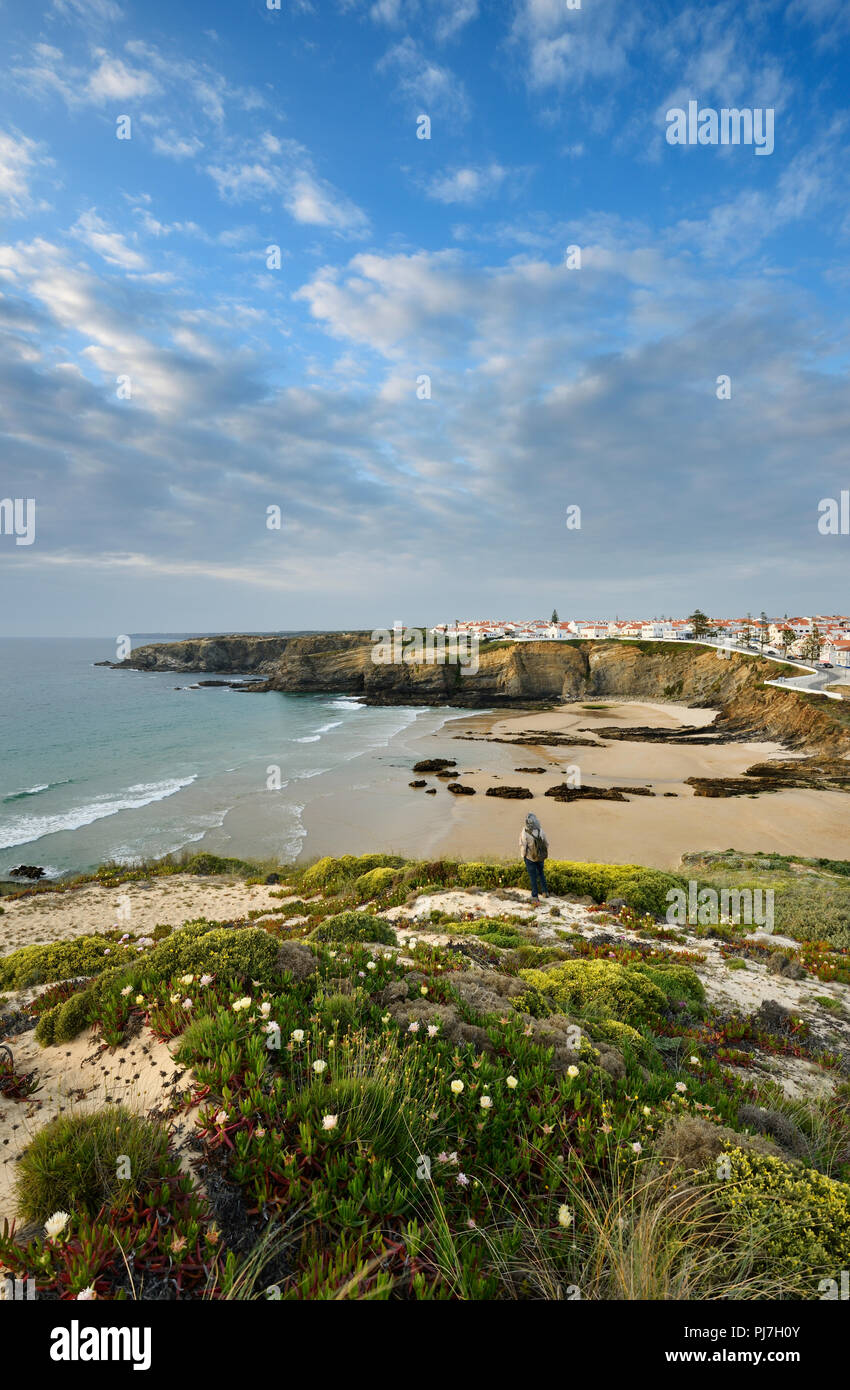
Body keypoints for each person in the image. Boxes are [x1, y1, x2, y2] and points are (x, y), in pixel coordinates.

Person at [519, 812, 549, 906]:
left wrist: (523, 855)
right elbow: (546, 843)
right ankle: (545, 892)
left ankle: (535, 896)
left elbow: (523, 846)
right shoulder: (541, 830)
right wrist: (542, 854)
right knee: (541, 873)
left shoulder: (525, 832)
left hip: (530, 858)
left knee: (533, 877)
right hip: (540, 857)